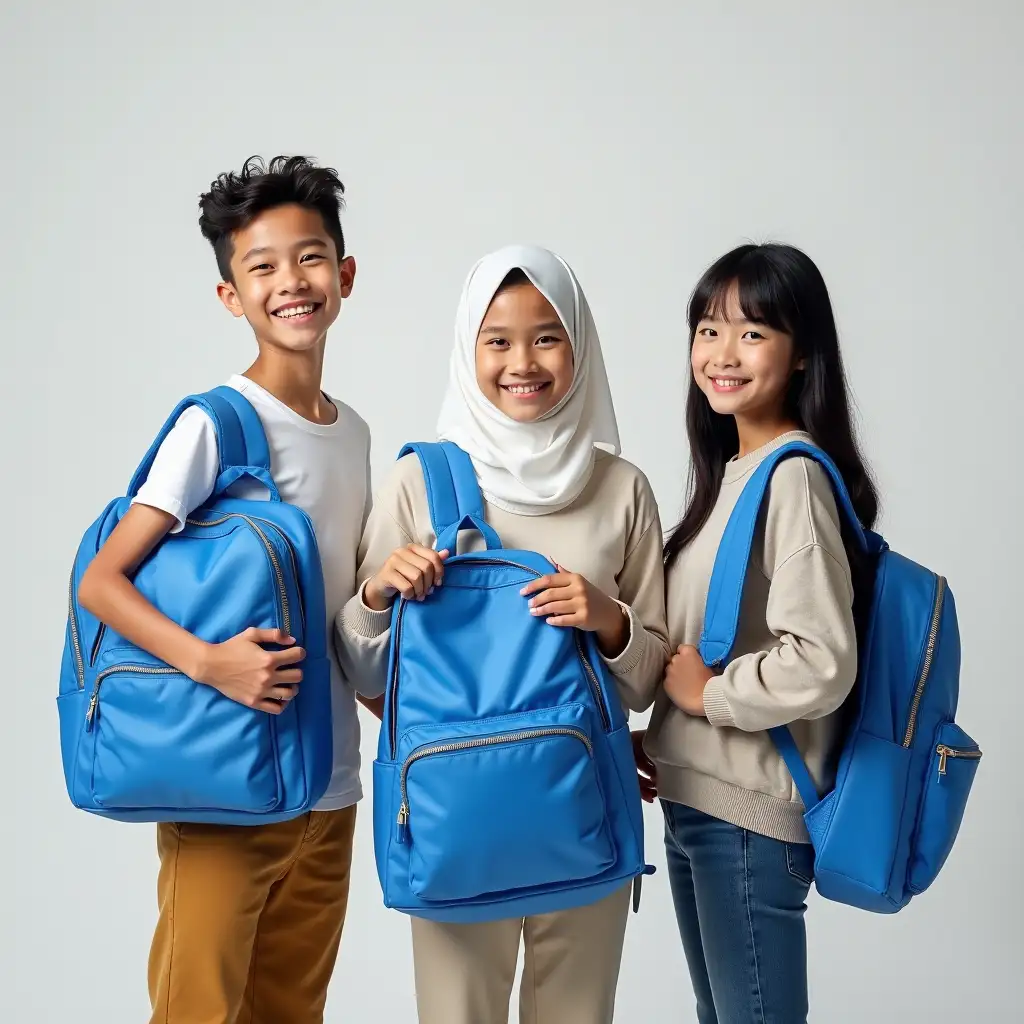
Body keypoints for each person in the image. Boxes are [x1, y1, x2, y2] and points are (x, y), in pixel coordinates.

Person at [337, 244, 670, 1024]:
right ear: (468, 348)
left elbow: (652, 675)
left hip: (583, 811)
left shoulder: (620, 488)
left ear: (580, 345)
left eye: (547, 336)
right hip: (453, 814)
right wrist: (381, 592)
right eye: (497, 340)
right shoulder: (420, 483)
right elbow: (357, 663)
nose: (523, 362)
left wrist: (608, 618)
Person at [77, 155, 371, 1024]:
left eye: (310, 258)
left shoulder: (352, 433)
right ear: (230, 297)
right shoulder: (217, 422)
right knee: (197, 1010)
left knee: (291, 1012)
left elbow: (341, 614)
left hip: (331, 786)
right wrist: (210, 664)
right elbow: (101, 580)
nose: (292, 282)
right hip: (225, 784)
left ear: (345, 275)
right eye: (263, 267)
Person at [637, 242, 879, 1023]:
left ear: (803, 352)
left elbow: (822, 662)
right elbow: (707, 645)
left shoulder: (793, 476)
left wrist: (709, 699)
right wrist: (670, 726)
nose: (722, 354)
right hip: (696, 804)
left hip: (747, 820)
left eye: (752, 332)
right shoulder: (728, 479)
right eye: (708, 330)